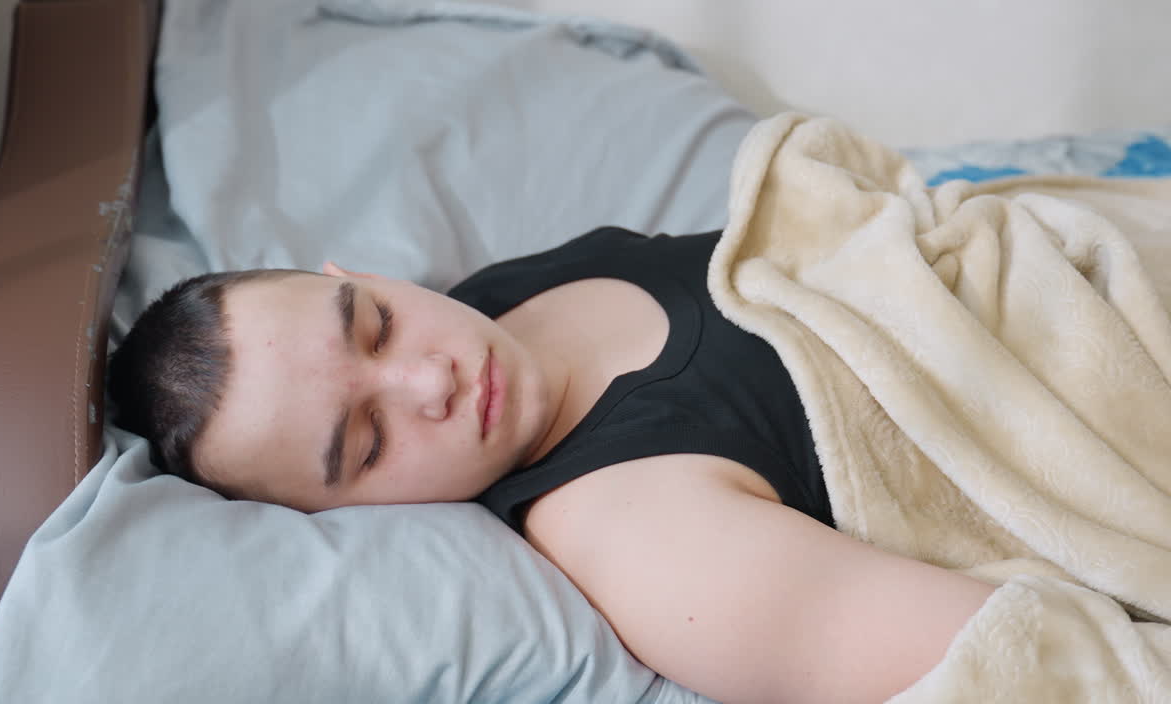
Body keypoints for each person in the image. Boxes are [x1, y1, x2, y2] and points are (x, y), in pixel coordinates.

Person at [108, 226, 994, 704]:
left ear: (354, 271)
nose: (430, 378)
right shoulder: (650, 542)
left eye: (373, 322)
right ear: (340, 518)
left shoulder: (496, 299)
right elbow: (1013, 664)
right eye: (368, 442)